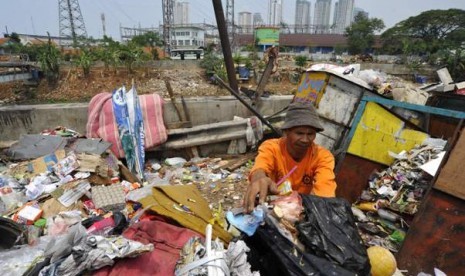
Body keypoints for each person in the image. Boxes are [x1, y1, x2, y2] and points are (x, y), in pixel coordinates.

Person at [244, 101, 337, 213]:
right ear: (286, 131)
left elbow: (324, 193)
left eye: (310, 134)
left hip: (303, 211)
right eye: (299, 133)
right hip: (272, 209)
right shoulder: (272, 148)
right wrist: (259, 179)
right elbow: (260, 167)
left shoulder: (323, 157)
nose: (305, 140)